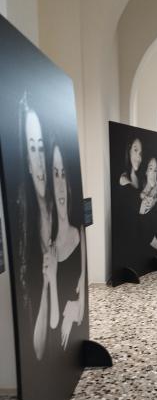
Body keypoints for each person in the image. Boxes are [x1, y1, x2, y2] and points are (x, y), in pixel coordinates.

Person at [18, 95, 58, 360]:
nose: (39, 160)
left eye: (41, 148)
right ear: (28, 163)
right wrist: (47, 282)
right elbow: (38, 348)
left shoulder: (61, 215)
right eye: (32, 149)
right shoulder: (25, 235)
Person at [51, 140, 86, 350]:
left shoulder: (79, 233)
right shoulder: (49, 247)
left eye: (63, 174)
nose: (61, 184)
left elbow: (81, 314)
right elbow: (53, 322)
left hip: (72, 335)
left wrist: (72, 313)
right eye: (55, 175)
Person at [139, 157, 157, 256]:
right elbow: (141, 213)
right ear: (146, 171)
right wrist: (144, 198)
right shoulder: (141, 189)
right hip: (144, 237)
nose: (153, 174)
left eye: (155, 170)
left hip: (155, 231)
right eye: (150, 169)